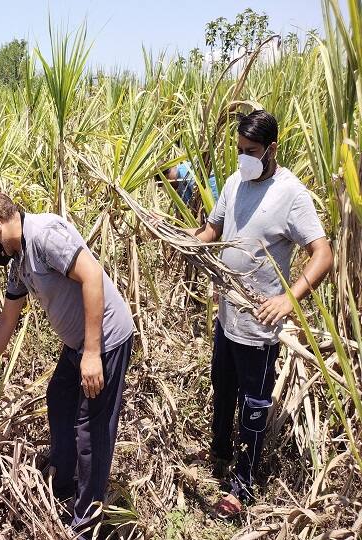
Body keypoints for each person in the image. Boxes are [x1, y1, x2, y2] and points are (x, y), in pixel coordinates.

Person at [181, 110, 332, 517]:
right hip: (227, 317)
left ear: (272, 149)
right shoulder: (234, 182)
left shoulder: (292, 195)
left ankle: (242, 487)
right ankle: (218, 456)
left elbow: (323, 255)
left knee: (253, 405)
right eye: (239, 150)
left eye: (251, 151)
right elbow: (213, 229)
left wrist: (289, 299)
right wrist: (190, 241)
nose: (243, 158)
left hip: (260, 330)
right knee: (222, 389)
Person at [0, 192, 135, 532]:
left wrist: (91, 353)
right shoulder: (19, 261)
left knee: (92, 430)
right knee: (59, 399)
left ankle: (87, 522)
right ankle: (65, 485)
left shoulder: (44, 234)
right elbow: (8, 318)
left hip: (105, 340)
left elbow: (92, 275)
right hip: (79, 345)